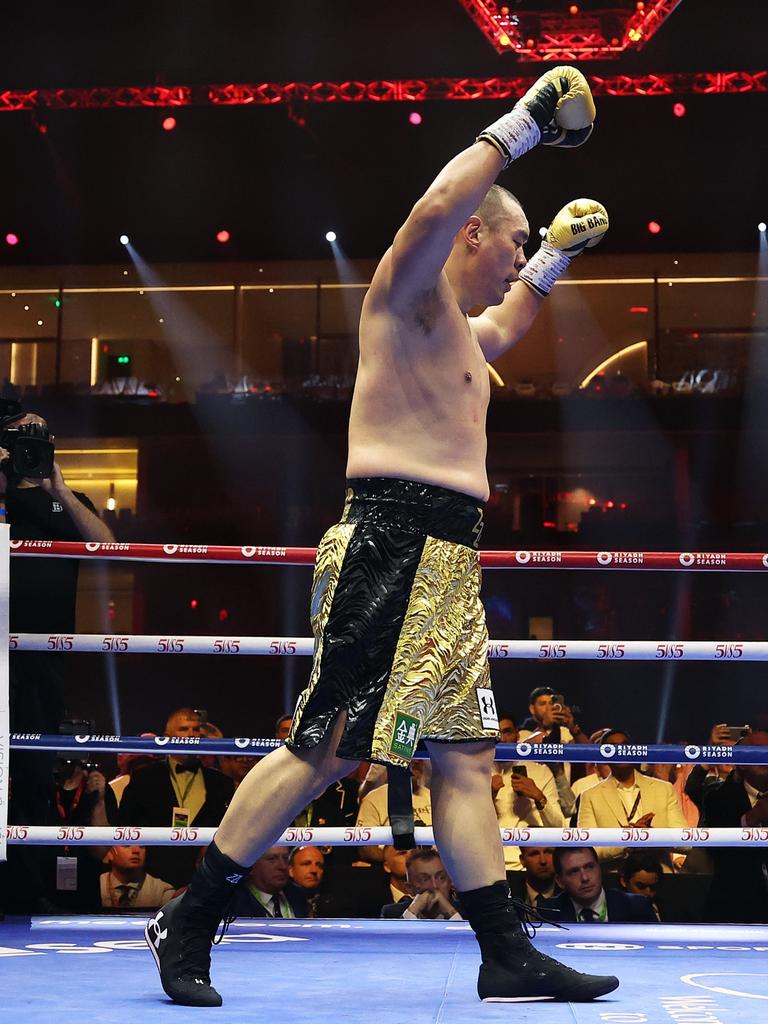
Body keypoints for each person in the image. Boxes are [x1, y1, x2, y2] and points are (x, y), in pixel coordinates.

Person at [145, 65, 619, 1006]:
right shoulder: (405, 294)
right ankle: (190, 918)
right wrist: (524, 123)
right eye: (514, 239)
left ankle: (504, 952)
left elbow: (510, 321)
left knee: (467, 758)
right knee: (325, 749)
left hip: (447, 557)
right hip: (391, 539)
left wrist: (555, 256)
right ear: (474, 231)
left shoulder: (460, 336)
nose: (516, 253)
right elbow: (439, 201)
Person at [117, 708, 235, 888]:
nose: (190, 735)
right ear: (167, 736)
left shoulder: (221, 782)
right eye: (183, 729)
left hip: (205, 878)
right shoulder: (144, 777)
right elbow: (126, 823)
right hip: (153, 879)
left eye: (196, 730)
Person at [576, 729, 687, 868]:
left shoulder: (664, 789)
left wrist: (652, 836)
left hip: (660, 875)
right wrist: (627, 841)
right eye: (614, 747)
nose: (621, 751)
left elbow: (685, 843)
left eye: (625, 746)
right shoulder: (590, 796)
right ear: (604, 756)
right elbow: (587, 850)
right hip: (615, 878)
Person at [700, 728, 768, 923]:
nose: (764, 757)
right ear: (741, 763)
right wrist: (752, 818)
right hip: (733, 904)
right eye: (758, 751)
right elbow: (720, 854)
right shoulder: (719, 797)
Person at [538, 848, 657, 924]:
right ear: (560, 881)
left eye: (589, 867)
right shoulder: (549, 911)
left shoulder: (637, 906)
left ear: (599, 868)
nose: (585, 878)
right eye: (574, 871)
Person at [381, 848, 461, 920]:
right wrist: (412, 911)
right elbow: (399, 936)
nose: (434, 886)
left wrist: (451, 912)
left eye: (441, 878)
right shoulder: (392, 913)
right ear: (409, 888)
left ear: (450, 881)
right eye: (424, 879)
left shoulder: (468, 910)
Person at [232, 846, 309, 919]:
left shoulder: (298, 895)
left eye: (285, 858)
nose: (283, 866)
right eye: (272, 859)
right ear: (252, 864)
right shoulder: (235, 902)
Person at [100, 846, 175, 910]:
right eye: (126, 845)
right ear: (109, 853)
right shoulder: (96, 885)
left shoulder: (162, 891)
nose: (136, 851)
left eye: (141, 846)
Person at [618, 852, 662, 920]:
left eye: (653, 887)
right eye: (641, 886)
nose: (648, 893)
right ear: (624, 881)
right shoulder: (612, 913)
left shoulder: (672, 911)